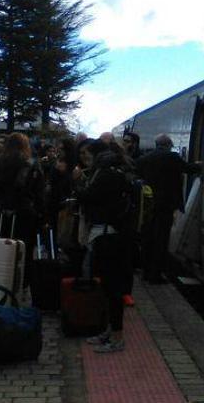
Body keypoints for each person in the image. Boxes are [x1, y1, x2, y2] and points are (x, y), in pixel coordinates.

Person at [74, 139, 133, 353]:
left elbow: (88, 197)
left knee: (112, 287)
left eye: (86, 154)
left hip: (108, 235)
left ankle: (117, 338)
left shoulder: (106, 174)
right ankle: (110, 330)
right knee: (109, 287)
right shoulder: (115, 171)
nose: (83, 159)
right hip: (112, 233)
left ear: (97, 154)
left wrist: (78, 182)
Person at [135, 134, 201, 284]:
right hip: (165, 205)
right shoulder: (172, 157)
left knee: (148, 238)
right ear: (169, 144)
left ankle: (145, 270)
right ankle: (155, 274)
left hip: (148, 205)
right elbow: (189, 169)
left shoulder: (144, 159)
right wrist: (199, 164)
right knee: (161, 240)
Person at [0, 132, 45, 291]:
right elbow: (39, 191)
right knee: (25, 250)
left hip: (5, 211)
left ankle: (3, 282)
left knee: (5, 247)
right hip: (25, 211)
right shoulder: (30, 163)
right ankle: (23, 284)